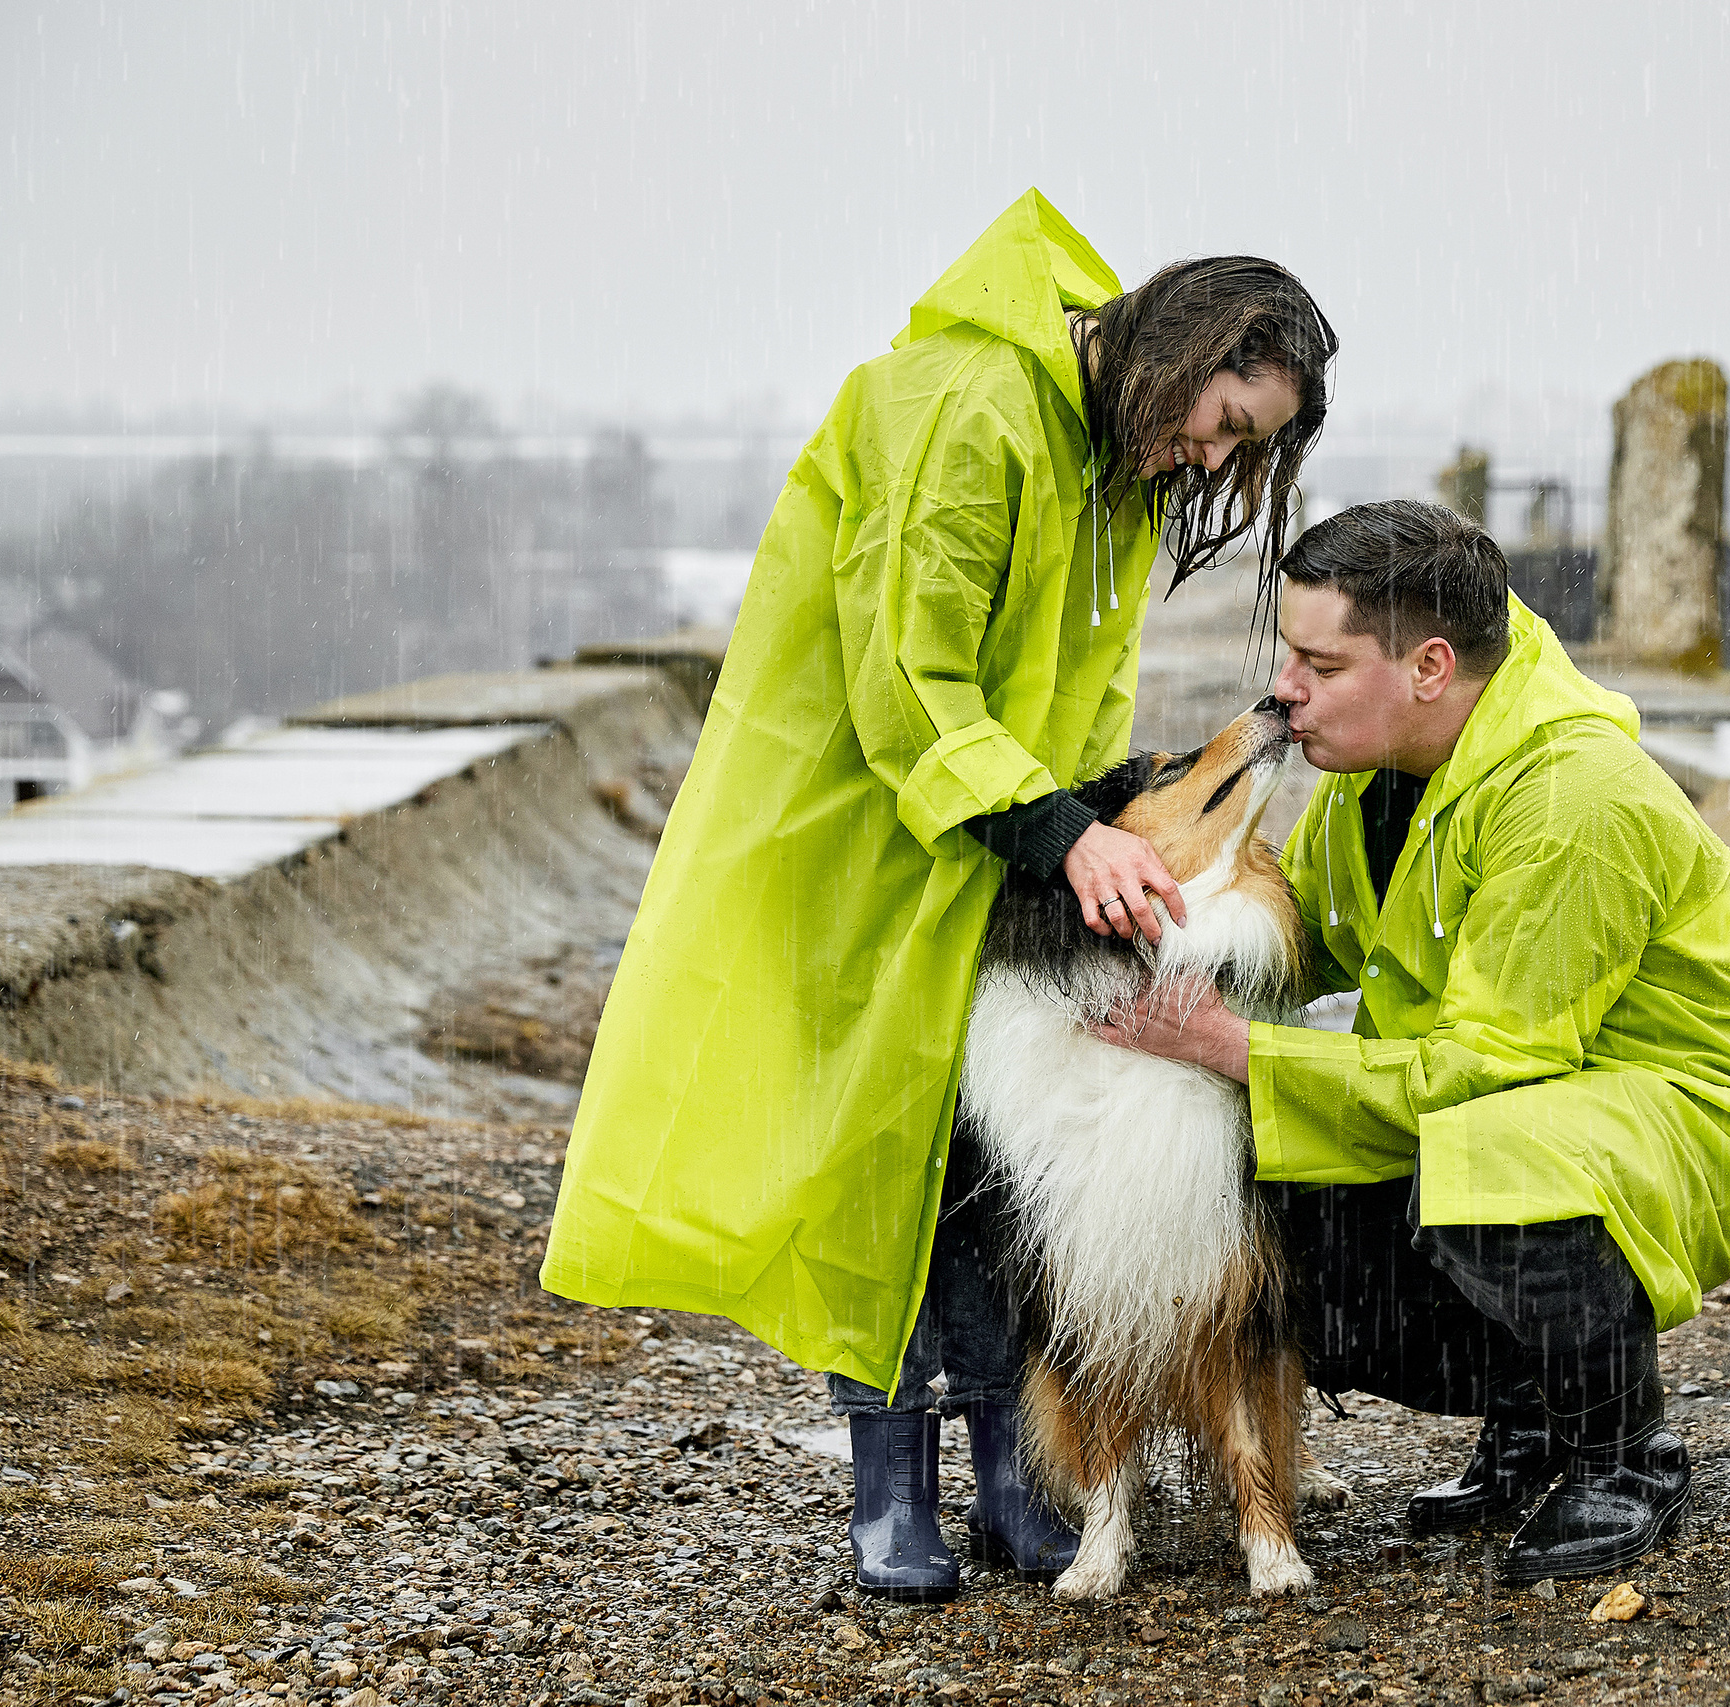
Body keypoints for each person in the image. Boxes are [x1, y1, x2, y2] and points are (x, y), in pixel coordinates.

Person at [538, 189, 1337, 1603]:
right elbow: (908, 679)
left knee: (989, 1167)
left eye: (1245, 448)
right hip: (865, 837)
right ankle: (889, 1487)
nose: (1215, 458)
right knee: (882, 1166)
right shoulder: (967, 406)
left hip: (991, 845)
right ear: (1182, 343)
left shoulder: (1106, 453)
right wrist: (1064, 834)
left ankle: (1015, 1474)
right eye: (1224, 420)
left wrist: (1084, 820)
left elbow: (1062, 688)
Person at [1094, 499, 1730, 1584]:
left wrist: (1229, 1045)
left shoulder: (1572, 801)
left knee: (1484, 1159)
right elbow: (1303, 942)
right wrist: (1126, 928)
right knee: (1261, 1214)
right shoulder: (1379, 772)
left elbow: (1483, 1069)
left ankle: (1622, 1453)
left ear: (1429, 667)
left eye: (1318, 664)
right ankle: (1532, 1420)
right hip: (1530, 1113)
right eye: (1288, 654)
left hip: (1689, 1125)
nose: (1283, 690)